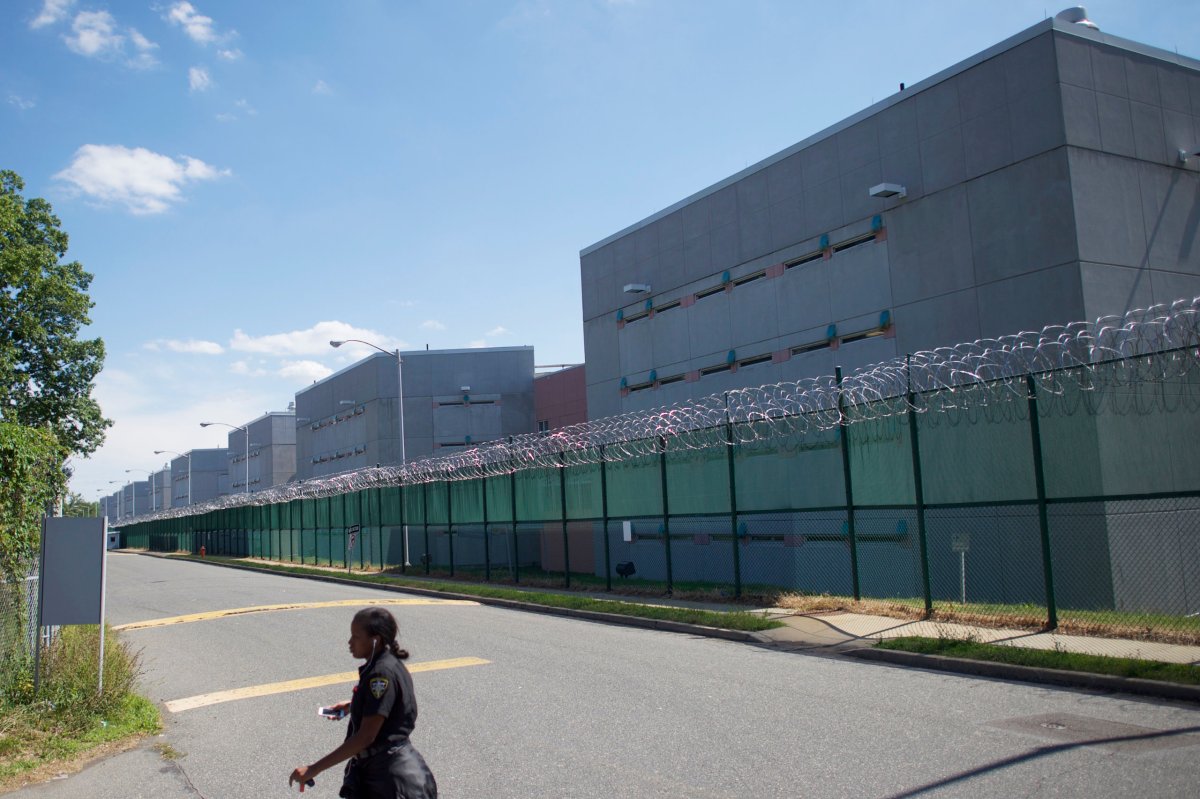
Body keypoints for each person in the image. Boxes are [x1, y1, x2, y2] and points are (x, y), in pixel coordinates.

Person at [290, 607, 438, 798]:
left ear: (375, 640)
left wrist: (314, 768)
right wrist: (353, 705)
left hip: (392, 781)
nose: (350, 642)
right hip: (385, 770)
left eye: (356, 637)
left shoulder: (380, 674)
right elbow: (387, 705)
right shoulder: (386, 664)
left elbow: (365, 737)